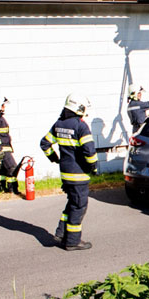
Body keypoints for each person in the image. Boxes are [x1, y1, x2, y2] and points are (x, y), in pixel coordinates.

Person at [40, 94, 98, 251]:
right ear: (79, 107)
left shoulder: (59, 124)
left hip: (65, 173)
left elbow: (44, 143)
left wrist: (54, 158)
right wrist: (94, 166)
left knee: (72, 203)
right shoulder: (81, 126)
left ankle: (60, 233)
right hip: (79, 175)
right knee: (79, 206)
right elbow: (89, 151)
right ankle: (72, 241)